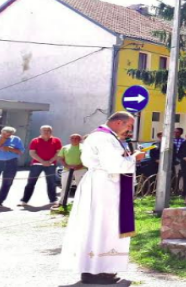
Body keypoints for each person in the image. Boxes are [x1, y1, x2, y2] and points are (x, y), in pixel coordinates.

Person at [61, 111, 146, 285]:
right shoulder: (103, 137)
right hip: (103, 187)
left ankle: (104, 268)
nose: (129, 130)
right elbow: (114, 165)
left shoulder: (107, 137)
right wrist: (134, 158)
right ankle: (94, 270)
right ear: (118, 123)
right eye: (129, 126)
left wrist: (128, 157)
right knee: (101, 226)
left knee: (107, 227)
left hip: (108, 185)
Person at [20, 125, 63, 208]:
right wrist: (43, 161)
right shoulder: (35, 141)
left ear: (51, 131)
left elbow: (58, 152)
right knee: (31, 183)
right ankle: (24, 201)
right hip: (36, 165)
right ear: (41, 131)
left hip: (51, 165)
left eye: (48, 130)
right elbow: (32, 153)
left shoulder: (56, 140)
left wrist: (50, 161)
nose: (46, 132)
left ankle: (53, 200)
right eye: (44, 130)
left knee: (51, 183)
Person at [171, 127, 185, 194]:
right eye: (174, 132)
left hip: (179, 160)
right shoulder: (170, 140)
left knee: (178, 175)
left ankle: (178, 189)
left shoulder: (183, 141)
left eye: (177, 132)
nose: (175, 133)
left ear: (181, 133)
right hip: (171, 160)